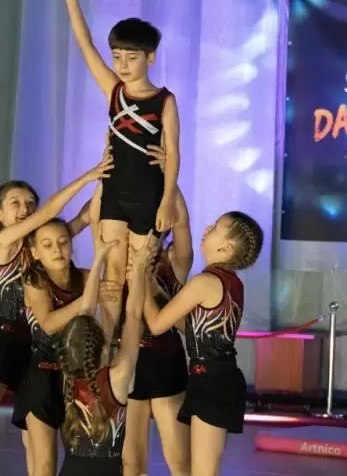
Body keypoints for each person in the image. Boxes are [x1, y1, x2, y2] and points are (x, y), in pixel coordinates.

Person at [0, 156, 112, 465]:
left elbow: (85, 217)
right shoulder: (6, 242)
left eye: (30, 203)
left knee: (33, 442)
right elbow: (51, 212)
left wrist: (105, 179)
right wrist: (87, 176)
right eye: (15, 203)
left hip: (33, 350)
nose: (25, 208)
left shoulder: (41, 244)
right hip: (2, 344)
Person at [61, 0, 181, 347]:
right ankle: (106, 352)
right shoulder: (113, 91)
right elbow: (85, 45)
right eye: (117, 57)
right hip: (114, 192)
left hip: (148, 196)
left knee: (137, 274)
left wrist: (167, 200)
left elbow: (174, 151)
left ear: (151, 57)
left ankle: (132, 351)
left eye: (131, 57)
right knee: (113, 273)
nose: (123, 64)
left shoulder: (164, 100)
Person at [143, 212, 263, 476]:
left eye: (216, 227)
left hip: (212, 381)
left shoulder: (205, 282)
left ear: (226, 247)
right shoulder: (231, 282)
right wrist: (153, 288)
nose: (208, 228)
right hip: (216, 377)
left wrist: (140, 283)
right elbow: (190, 328)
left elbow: (156, 325)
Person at [11, 218, 118, 476]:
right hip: (42, 376)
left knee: (80, 458)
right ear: (35, 252)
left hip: (76, 378)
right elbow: (49, 324)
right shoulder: (34, 280)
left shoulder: (86, 277)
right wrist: (89, 296)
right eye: (47, 245)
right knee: (45, 465)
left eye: (63, 242)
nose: (57, 250)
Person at [56, 232, 154, 476]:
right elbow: (133, 314)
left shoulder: (68, 378)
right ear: (103, 348)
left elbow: (85, 312)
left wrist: (99, 258)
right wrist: (139, 269)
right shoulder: (118, 376)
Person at [123, 186, 192, 476]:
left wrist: (169, 181)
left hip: (166, 361)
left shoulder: (173, 263)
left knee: (180, 462)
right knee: (131, 464)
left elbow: (183, 223)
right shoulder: (119, 264)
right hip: (129, 363)